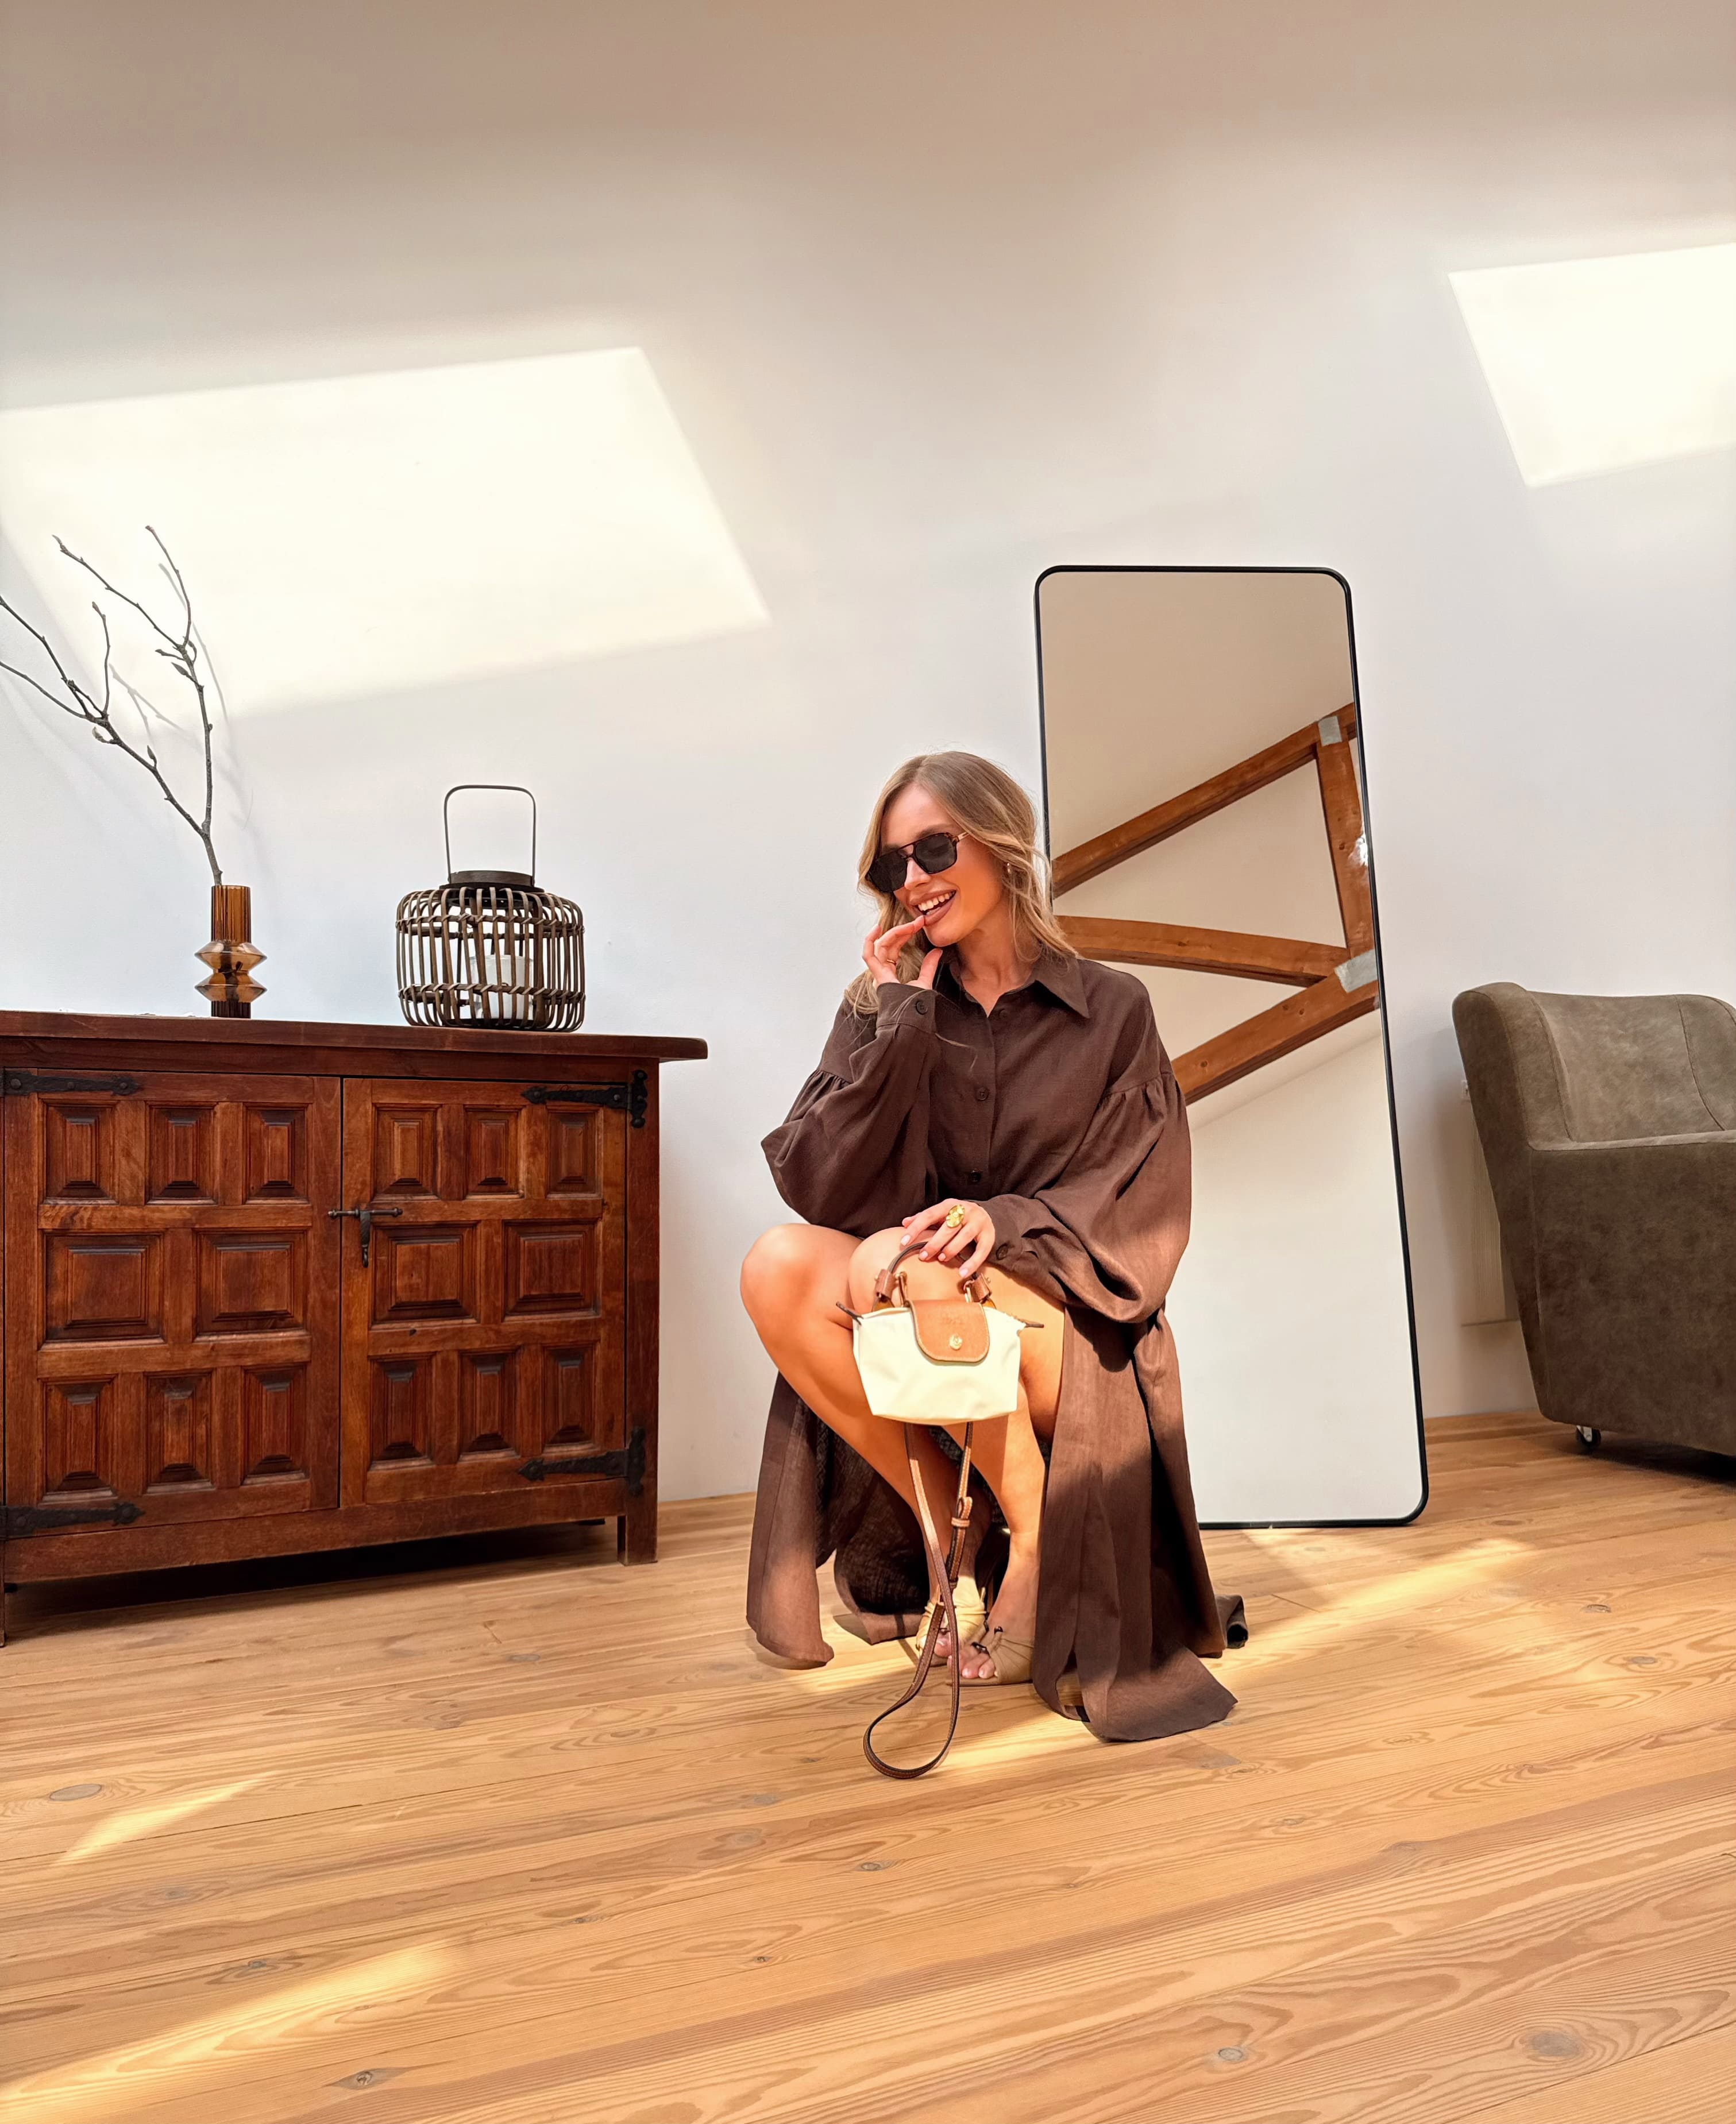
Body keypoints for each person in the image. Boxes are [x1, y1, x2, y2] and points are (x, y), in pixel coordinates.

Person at [740, 750, 1244, 1737]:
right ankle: (954, 1545)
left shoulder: (1112, 1009)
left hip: (1073, 1331)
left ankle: (1039, 1558)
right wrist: (900, 1025)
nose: (913, 879)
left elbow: (1139, 1201)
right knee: (777, 1264)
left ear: (1002, 843)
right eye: (891, 864)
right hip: (917, 1303)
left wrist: (997, 1221)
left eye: (934, 848)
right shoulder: (882, 1004)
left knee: (916, 1261)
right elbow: (818, 1185)